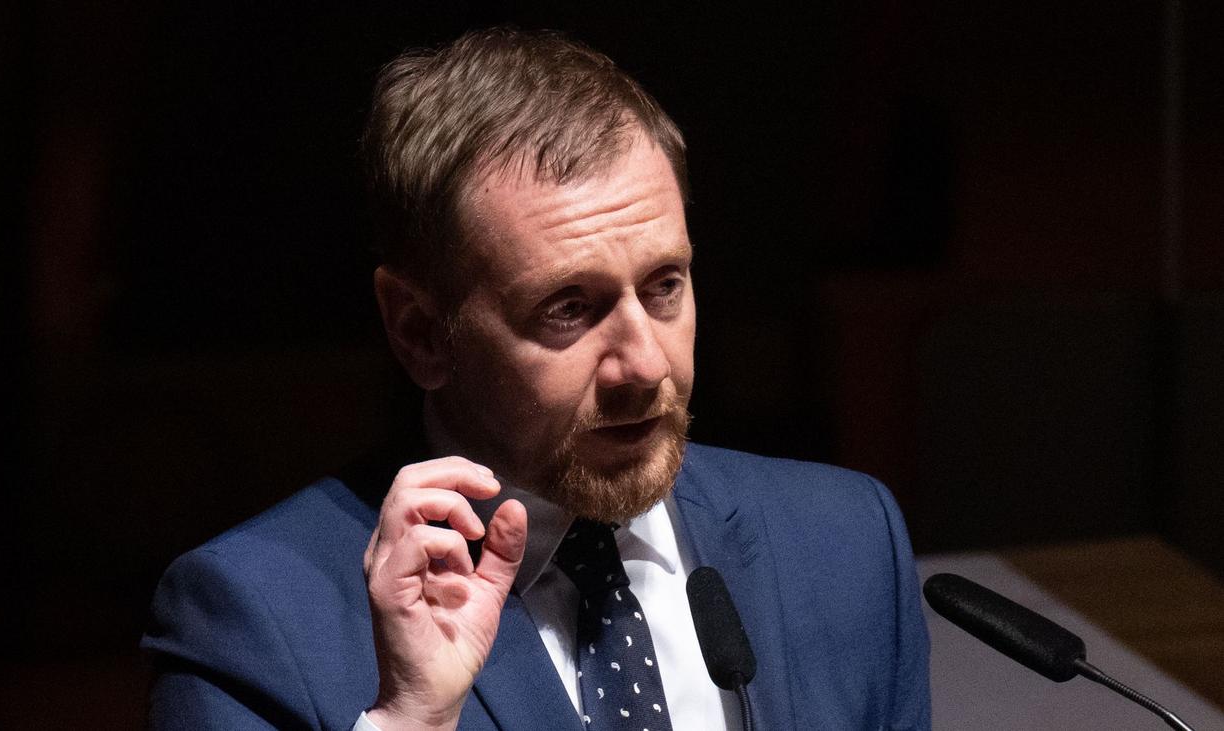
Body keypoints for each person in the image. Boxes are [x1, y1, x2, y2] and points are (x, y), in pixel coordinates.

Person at [142, 27, 930, 731]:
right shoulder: (257, 617)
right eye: (568, 307)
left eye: (664, 286)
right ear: (420, 332)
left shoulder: (843, 541)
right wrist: (410, 720)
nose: (645, 365)